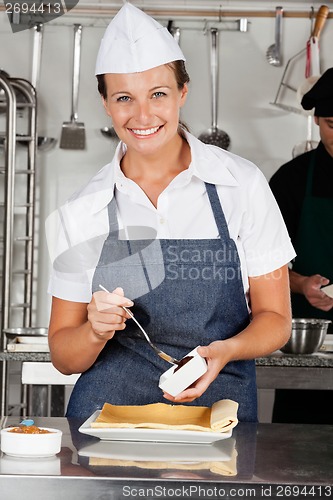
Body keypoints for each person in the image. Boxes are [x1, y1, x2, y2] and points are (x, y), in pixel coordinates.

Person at [46, 2, 295, 421]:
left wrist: (224, 351)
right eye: (124, 97)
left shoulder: (241, 186)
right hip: (109, 421)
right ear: (105, 103)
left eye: (158, 94)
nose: (142, 115)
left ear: (182, 92)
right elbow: (64, 356)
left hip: (218, 412)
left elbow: (276, 319)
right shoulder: (83, 209)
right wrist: (94, 330)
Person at [269, 68, 333, 424]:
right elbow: (260, 262)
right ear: (317, 122)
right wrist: (301, 284)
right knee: (298, 444)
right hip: (307, 336)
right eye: (332, 125)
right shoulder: (291, 180)